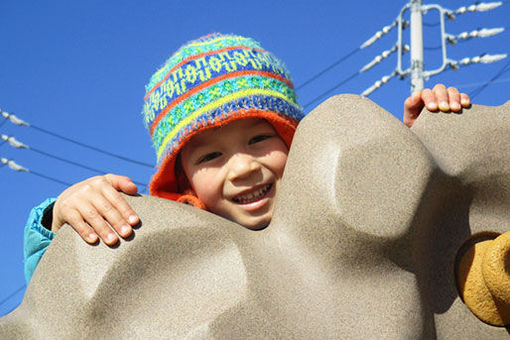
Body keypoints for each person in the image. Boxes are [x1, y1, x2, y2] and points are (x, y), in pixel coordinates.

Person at [23, 33, 471, 283]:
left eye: (259, 138)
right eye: (211, 156)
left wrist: (421, 148)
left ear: (298, 139)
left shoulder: (342, 207)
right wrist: (61, 218)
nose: (242, 168)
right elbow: (77, 297)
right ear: (182, 180)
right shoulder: (171, 246)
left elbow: (417, 227)